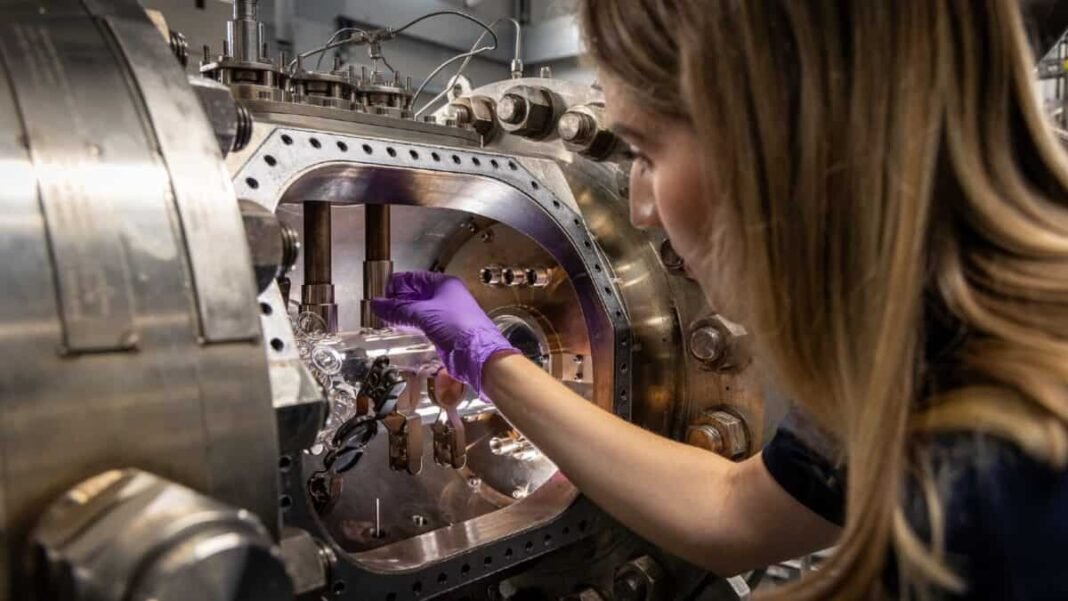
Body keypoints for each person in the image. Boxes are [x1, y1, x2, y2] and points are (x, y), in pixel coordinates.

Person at [372, 1, 1068, 599]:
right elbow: (735, 511)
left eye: (645, 152)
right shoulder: (930, 350)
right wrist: (490, 359)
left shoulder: (1001, 482)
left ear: (779, 142)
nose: (641, 208)